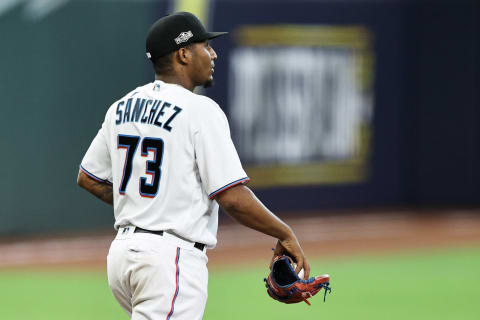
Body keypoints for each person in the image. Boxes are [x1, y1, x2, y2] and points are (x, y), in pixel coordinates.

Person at [77, 11, 310, 320]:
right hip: (168, 261)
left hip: (123, 256)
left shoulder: (121, 107)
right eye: (205, 46)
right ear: (183, 54)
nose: (213, 54)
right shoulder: (200, 110)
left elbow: (88, 178)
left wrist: (144, 207)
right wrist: (285, 232)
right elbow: (232, 197)